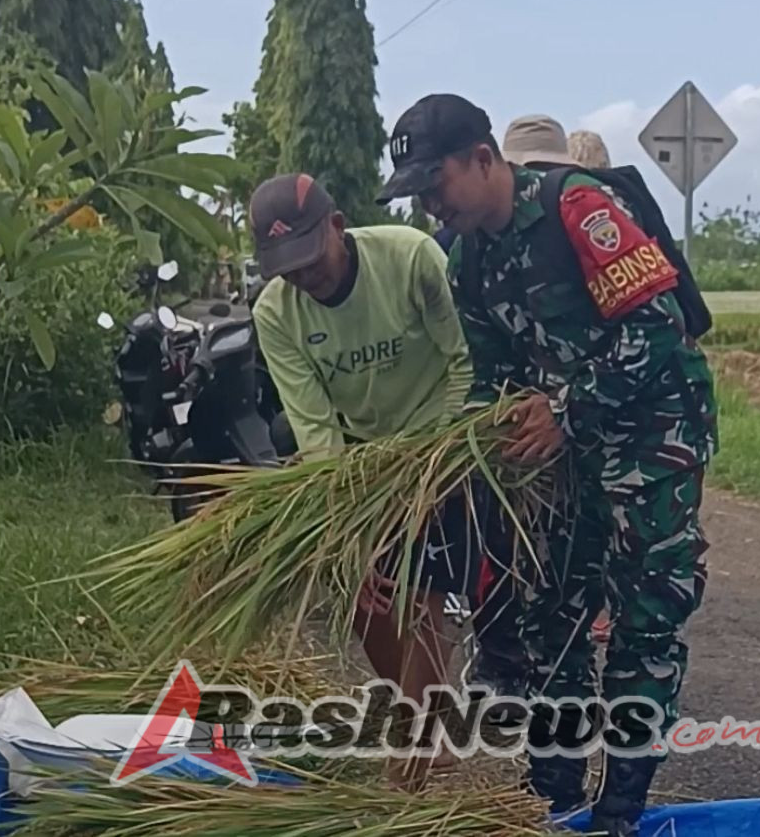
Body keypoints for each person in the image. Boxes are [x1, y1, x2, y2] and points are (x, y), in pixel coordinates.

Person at [377, 94, 718, 835]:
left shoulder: (577, 207)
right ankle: (553, 798)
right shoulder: (465, 257)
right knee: (549, 619)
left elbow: (655, 329)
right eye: (420, 194)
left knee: (643, 618)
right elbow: (490, 375)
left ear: (483, 159)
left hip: (651, 435)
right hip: (566, 455)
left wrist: (565, 413)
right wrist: (453, 450)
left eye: (439, 185)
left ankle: (621, 809)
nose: (433, 204)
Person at [247, 172, 524, 786]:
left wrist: (435, 455)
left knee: (422, 589)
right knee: (364, 591)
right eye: (285, 267)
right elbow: (315, 427)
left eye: (309, 257)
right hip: (365, 460)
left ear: (338, 227)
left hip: (443, 442)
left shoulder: (410, 257)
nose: (303, 277)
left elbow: (461, 358)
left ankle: (418, 745)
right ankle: (422, 710)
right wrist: (349, 527)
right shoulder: (276, 312)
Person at [501, 114, 615, 645]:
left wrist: (564, 410)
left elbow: (657, 334)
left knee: (644, 595)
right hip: (566, 435)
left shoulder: (589, 213)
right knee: (557, 591)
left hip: (630, 424)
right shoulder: (485, 244)